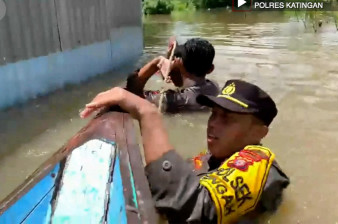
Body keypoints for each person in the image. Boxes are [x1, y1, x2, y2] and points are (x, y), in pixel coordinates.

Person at [80, 79, 290, 224]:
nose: (213, 124)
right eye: (213, 114)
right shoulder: (215, 157)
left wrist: (148, 114)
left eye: (227, 118)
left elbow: (194, 210)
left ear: (258, 133)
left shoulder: (258, 162)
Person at [126, 37, 220, 113]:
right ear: (210, 69)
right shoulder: (213, 86)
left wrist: (156, 63)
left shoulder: (175, 100)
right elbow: (183, 84)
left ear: (179, 63)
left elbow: (132, 95)